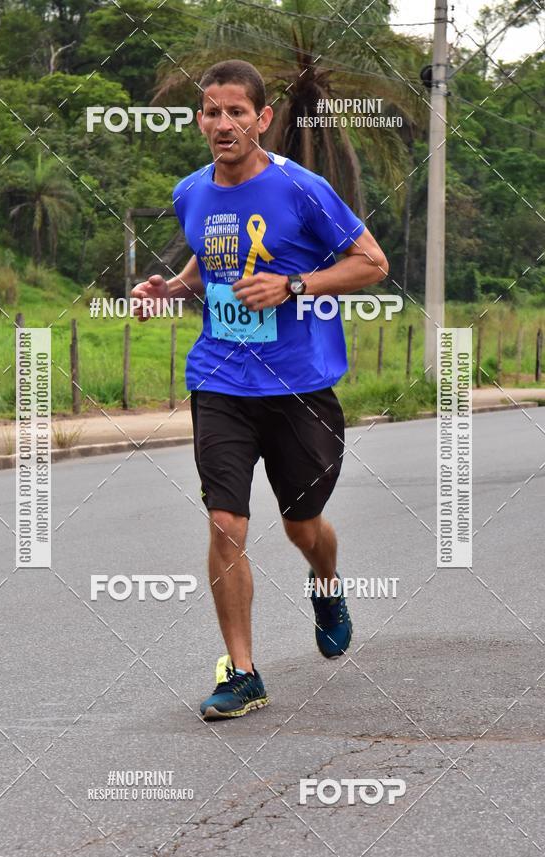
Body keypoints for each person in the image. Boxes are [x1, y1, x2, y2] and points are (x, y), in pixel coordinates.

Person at [131, 59, 388, 720]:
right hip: (220, 378)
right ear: (200, 120)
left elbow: (371, 262)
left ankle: (326, 582)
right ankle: (242, 671)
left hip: (299, 385)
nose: (224, 123)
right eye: (212, 112)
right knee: (225, 520)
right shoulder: (191, 192)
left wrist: (295, 285)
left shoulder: (301, 189)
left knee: (304, 527)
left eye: (237, 112)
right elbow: (208, 265)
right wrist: (170, 289)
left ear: (262, 118)